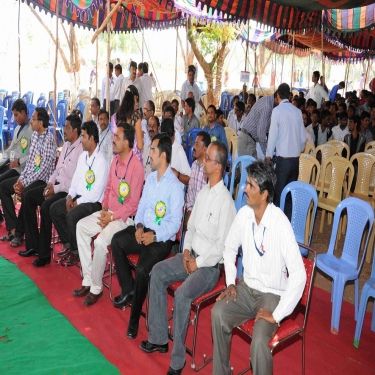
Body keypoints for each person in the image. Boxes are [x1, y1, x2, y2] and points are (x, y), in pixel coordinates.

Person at [140, 141, 236, 375]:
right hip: (189, 255)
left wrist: (198, 262)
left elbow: (223, 247)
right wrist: (185, 250)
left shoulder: (226, 202)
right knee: (158, 272)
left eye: (208, 159)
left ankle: (177, 360)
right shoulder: (203, 192)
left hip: (209, 267)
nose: (203, 161)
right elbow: (190, 228)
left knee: (182, 294)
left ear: (219, 166)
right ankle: (159, 337)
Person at [211, 160, 306, 375]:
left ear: (264, 194)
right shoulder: (244, 214)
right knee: (218, 313)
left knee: (259, 341)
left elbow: (299, 275)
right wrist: (230, 282)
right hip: (246, 288)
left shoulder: (280, 223)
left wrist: (278, 314)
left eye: (251, 185)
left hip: (272, 295)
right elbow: (229, 248)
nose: (244, 189)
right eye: (246, 183)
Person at [111, 133, 184, 339]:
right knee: (117, 241)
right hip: (144, 231)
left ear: (162, 155)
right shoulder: (151, 179)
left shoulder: (175, 187)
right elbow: (141, 207)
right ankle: (130, 290)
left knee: (143, 269)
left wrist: (154, 235)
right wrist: (139, 226)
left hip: (160, 239)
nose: (149, 154)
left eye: (152, 150)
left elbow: (174, 224)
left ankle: (134, 319)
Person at [75, 123, 144, 306]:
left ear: (128, 142)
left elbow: (134, 205)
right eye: (114, 136)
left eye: (117, 138)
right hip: (108, 213)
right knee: (81, 227)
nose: (113, 140)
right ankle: (88, 279)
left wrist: (112, 217)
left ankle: (96, 288)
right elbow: (107, 189)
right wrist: (105, 210)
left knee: (99, 242)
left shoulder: (136, 167)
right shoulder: (114, 161)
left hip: (124, 219)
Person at [19, 114, 83, 265]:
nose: (64, 130)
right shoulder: (66, 145)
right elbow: (57, 169)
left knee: (47, 207)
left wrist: (55, 188)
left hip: (68, 191)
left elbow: (74, 180)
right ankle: (33, 245)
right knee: (29, 196)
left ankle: (44, 254)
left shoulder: (81, 149)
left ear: (75, 130)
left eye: (67, 127)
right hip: (55, 186)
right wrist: (49, 184)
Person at [50, 121, 108, 266]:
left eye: (83, 136)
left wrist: (77, 202)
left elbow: (96, 193)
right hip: (78, 198)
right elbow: (75, 180)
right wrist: (70, 196)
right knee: (55, 210)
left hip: (93, 204)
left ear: (92, 138)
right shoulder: (83, 157)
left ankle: (76, 252)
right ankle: (69, 244)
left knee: (71, 215)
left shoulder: (102, 161)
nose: (81, 139)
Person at [0, 107, 56, 248]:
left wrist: (24, 182)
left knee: (26, 194)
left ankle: (20, 234)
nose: (31, 121)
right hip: (31, 176)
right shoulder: (36, 136)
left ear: (41, 122)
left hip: (44, 181)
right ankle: (18, 232)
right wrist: (21, 180)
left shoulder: (49, 138)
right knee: (14, 188)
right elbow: (31, 162)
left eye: (34, 118)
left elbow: (43, 168)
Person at [266, 83, 307, 208]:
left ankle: (277, 225)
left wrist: (268, 155)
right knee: (290, 196)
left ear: (278, 95)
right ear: (289, 95)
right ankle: (288, 223)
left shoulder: (277, 111)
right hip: (295, 160)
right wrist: (298, 150)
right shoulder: (298, 111)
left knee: (279, 195)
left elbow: (272, 135)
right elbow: (303, 138)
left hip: (283, 161)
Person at [0, 99, 33, 224]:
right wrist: (3, 157)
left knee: (2, 187)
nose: (15, 118)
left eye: (16, 115)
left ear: (24, 112)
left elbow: (34, 155)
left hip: (25, 171)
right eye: (14, 115)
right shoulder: (17, 129)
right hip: (16, 168)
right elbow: (11, 149)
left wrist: (19, 161)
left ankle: (13, 226)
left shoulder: (32, 129)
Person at [113, 85, 144, 161]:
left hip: (119, 158)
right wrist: (141, 137)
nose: (137, 104)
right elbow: (140, 146)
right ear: (135, 98)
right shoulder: (136, 116)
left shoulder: (115, 116)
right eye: (137, 100)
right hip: (132, 159)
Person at [185, 131, 211, 222]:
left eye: (196, 144)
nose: (193, 147)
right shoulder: (194, 165)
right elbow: (190, 192)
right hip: (193, 212)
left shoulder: (209, 170)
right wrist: (189, 210)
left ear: (205, 149)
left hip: (204, 216)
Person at [161, 118, 191, 185]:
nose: (168, 141)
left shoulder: (179, 150)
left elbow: (188, 179)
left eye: (169, 138)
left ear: (174, 134)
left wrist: (177, 174)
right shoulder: (159, 147)